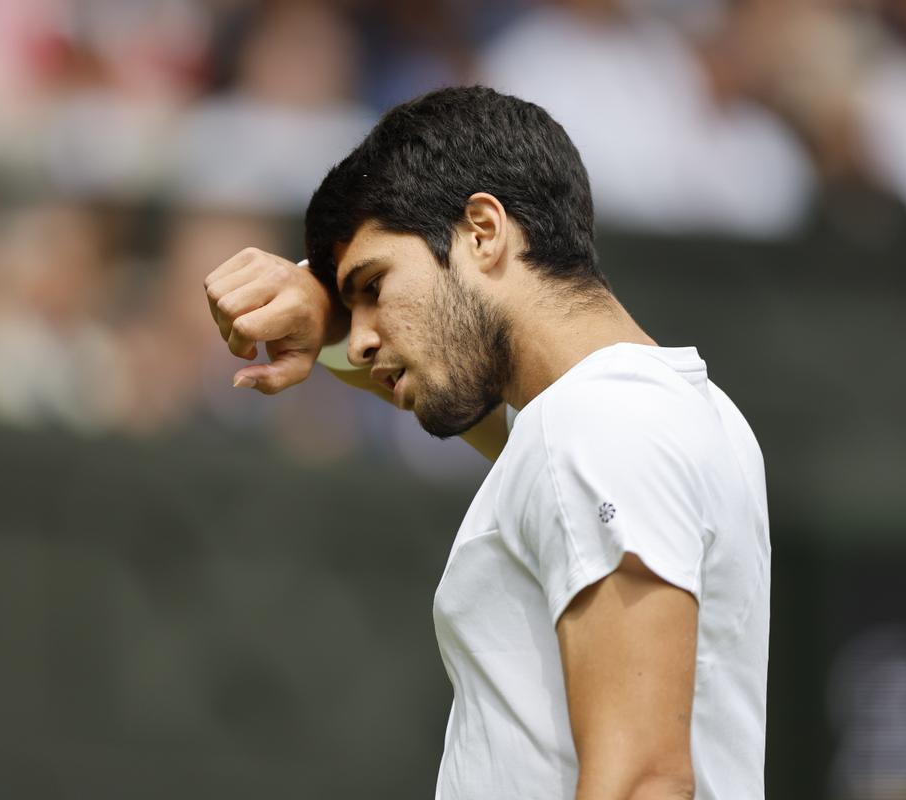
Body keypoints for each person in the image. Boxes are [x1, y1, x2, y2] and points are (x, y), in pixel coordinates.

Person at [203, 86, 770, 800]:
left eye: (375, 285)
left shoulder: (603, 424)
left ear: (482, 229)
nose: (366, 333)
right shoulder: (648, 413)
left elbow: (642, 782)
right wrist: (331, 312)